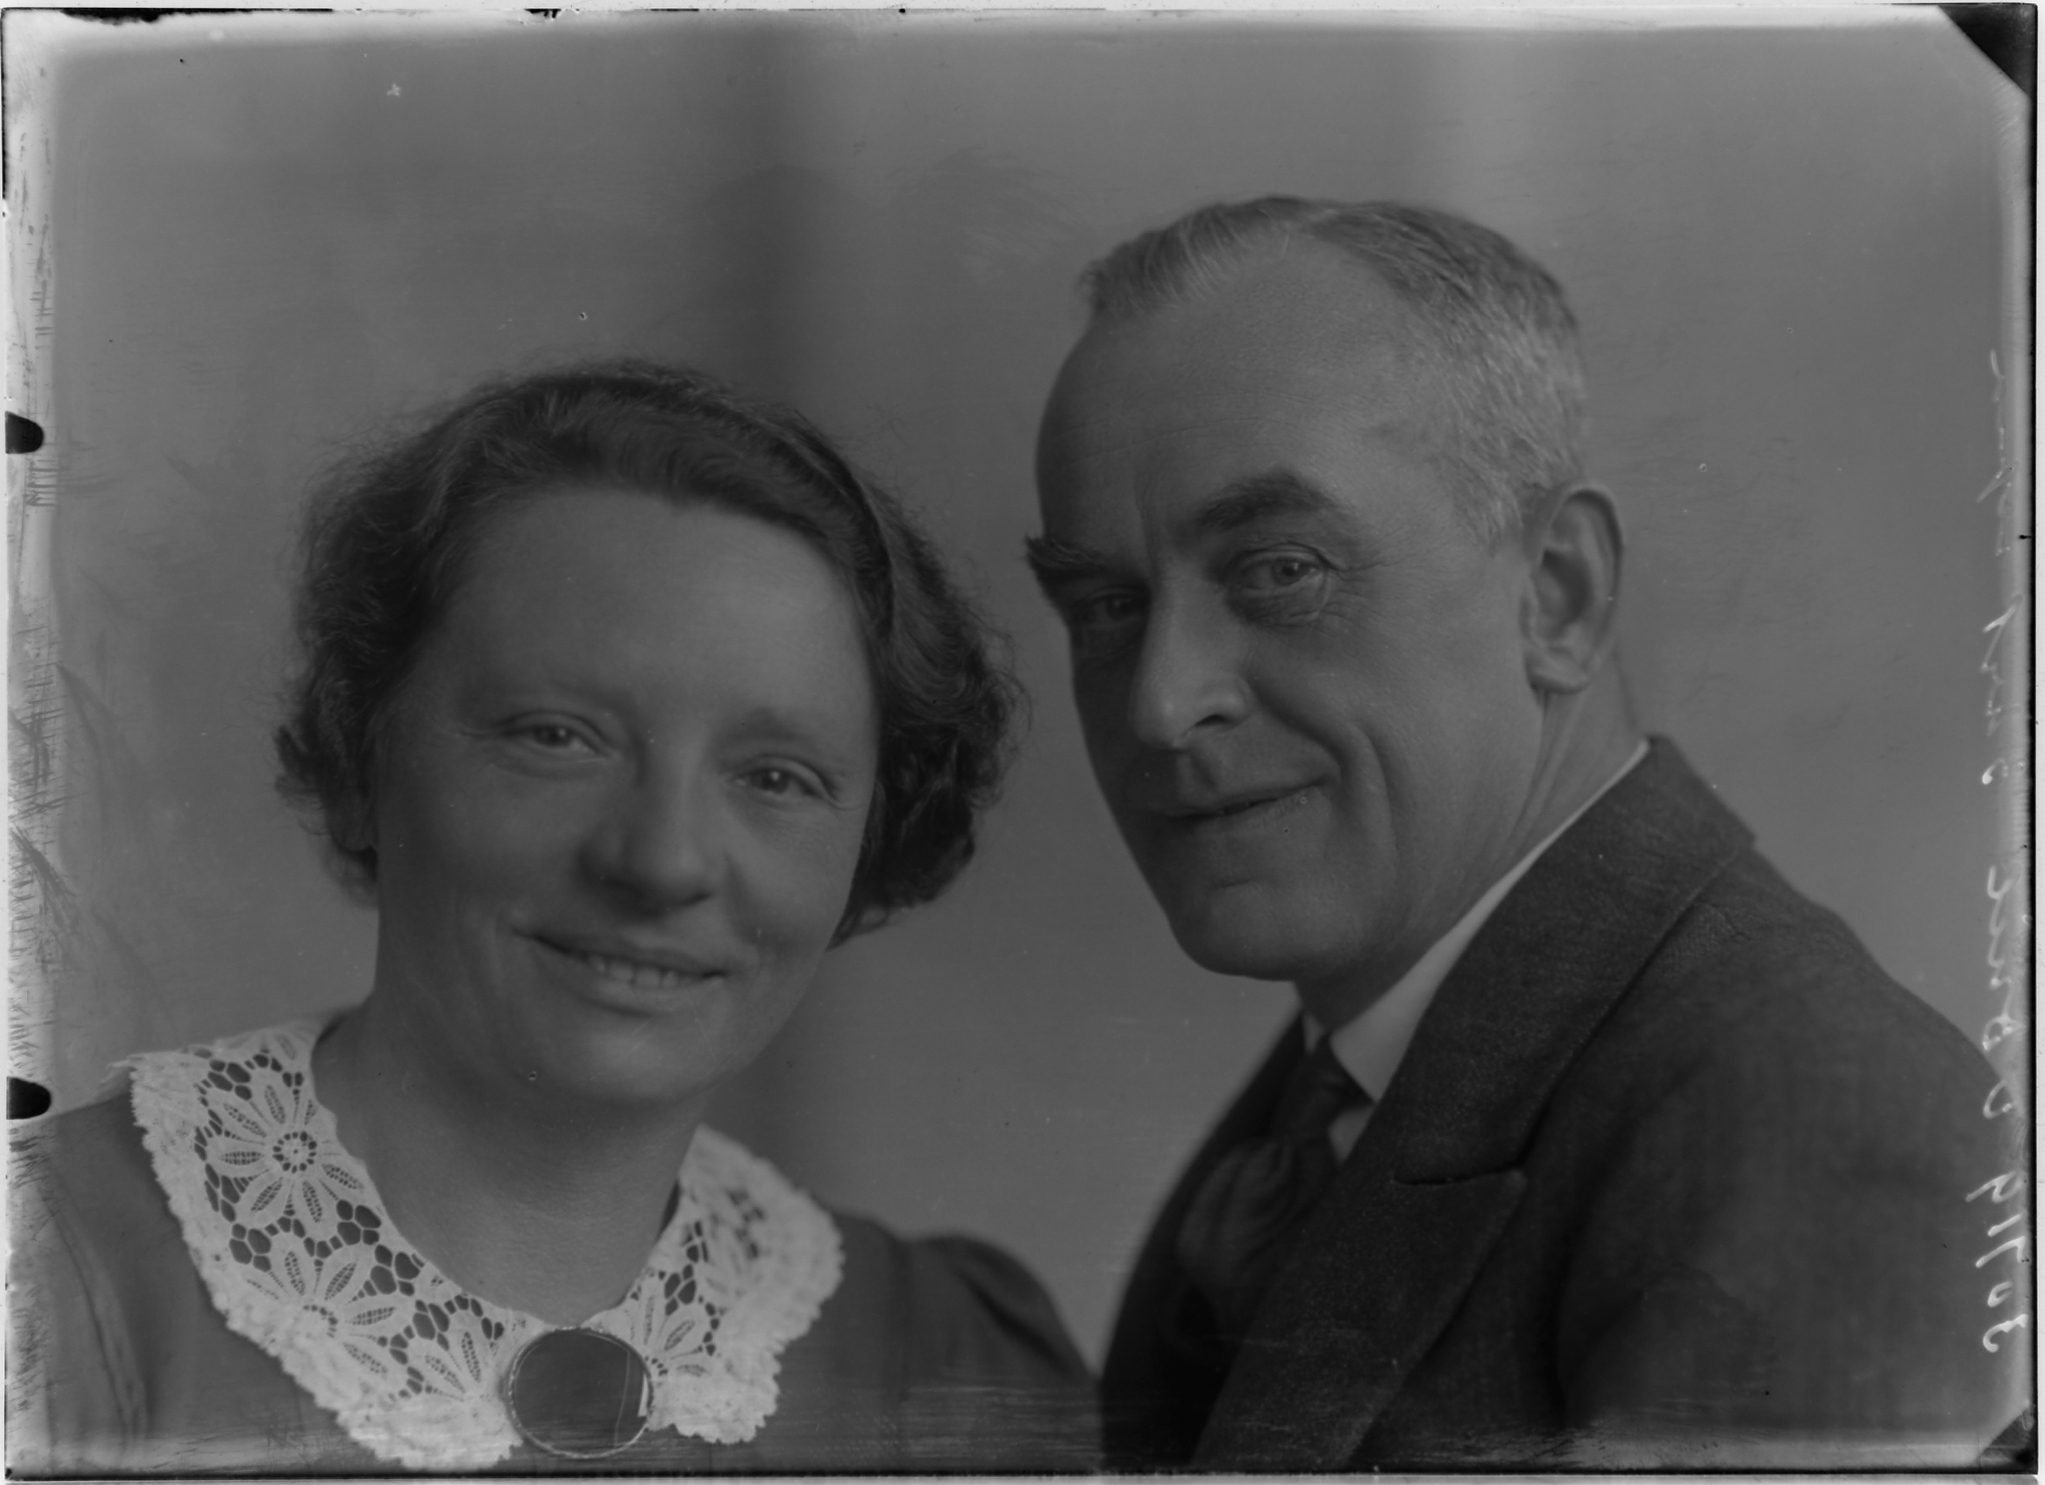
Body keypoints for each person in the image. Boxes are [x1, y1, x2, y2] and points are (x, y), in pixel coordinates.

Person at [1026, 198, 2025, 1470]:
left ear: (1556, 596)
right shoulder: (1343, 1080)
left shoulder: (1814, 1138)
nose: (1161, 705)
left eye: (1279, 570)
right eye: (1103, 606)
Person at [11, 361, 1094, 1474]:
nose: (662, 861)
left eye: (775, 777)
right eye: (557, 736)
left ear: (865, 845)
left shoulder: (947, 1362)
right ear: (357, 754)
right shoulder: (48, 1279)